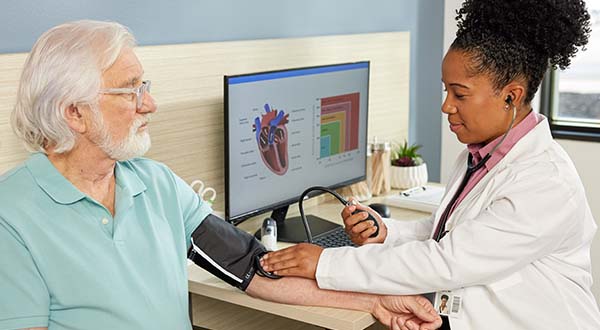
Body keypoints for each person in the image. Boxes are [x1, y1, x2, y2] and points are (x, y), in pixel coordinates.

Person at [0, 20, 442, 330]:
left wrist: (380, 301)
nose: (149, 103)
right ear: (73, 113)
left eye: (145, 86)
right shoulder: (12, 217)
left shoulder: (155, 183)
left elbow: (254, 268)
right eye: (130, 90)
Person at [261, 0, 600, 329]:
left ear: (510, 96)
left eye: (460, 94)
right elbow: (452, 232)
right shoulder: (482, 155)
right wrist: (387, 233)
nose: (446, 107)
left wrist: (324, 263)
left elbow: (447, 261)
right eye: (445, 91)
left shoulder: (545, 182)